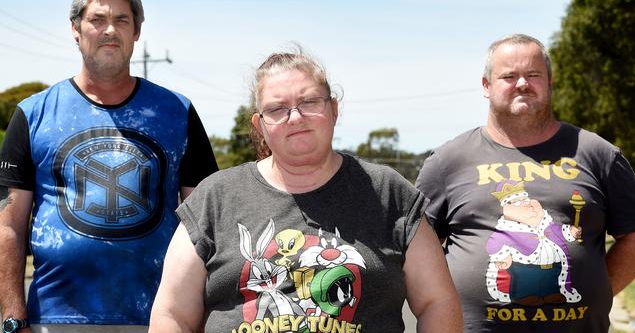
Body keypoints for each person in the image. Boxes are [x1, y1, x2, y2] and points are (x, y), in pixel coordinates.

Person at [148, 47, 462, 333]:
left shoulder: (388, 192)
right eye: (277, 109)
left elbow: (437, 301)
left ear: (334, 109)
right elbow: (172, 313)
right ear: (260, 125)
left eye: (309, 102)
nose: (295, 117)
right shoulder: (214, 198)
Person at [0, 0, 218, 333]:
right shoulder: (33, 114)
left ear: (137, 30)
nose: (110, 30)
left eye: (121, 20)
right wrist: (11, 315)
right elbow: (8, 224)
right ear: (75, 28)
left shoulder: (177, 112)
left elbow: (206, 221)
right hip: (54, 317)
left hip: (161, 316)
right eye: (97, 19)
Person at [415, 33, 635, 332]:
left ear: (550, 82)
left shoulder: (598, 154)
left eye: (533, 74)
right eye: (509, 76)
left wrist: (599, 291)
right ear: (486, 86)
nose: (522, 84)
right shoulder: (447, 161)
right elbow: (416, 249)